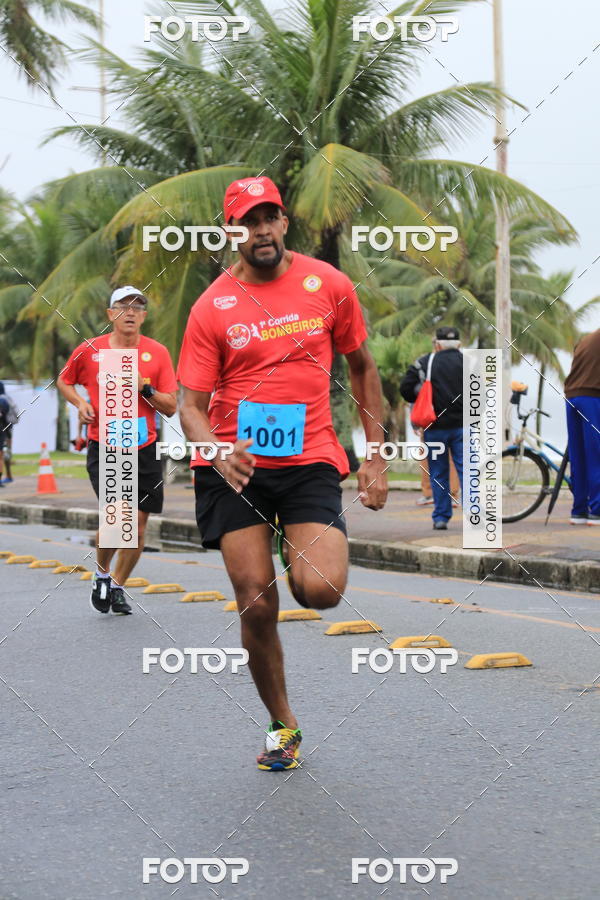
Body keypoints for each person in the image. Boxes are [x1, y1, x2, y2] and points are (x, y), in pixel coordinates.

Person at [177, 176, 388, 771]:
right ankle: (282, 723)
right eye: (247, 221)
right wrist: (217, 450)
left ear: (284, 222)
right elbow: (190, 404)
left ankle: (302, 556)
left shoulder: (330, 285)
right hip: (233, 468)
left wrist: (374, 455)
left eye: (269, 218)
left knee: (319, 590)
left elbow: (364, 368)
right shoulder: (211, 306)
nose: (260, 230)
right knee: (255, 601)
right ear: (231, 231)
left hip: (309, 458)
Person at [57, 287, 178, 614]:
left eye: (138, 307)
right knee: (118, 521)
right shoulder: (89, 351)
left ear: (144, 316)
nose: (130, 312)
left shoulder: (158, 353)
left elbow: (170, 406)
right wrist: (80, 403)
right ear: (110, 314)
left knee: (138, 527)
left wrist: (144, 388)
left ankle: (118, 585)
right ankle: (101, 573)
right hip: (106, 446)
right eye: (123, 306)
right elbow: (64, 380)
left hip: (145, 447)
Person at [400, 326, 463, 530]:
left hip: (434, 426)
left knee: (438, 472)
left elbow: (405, 388)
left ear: (437, 344)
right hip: (463, 427)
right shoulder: (470, 362)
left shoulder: (425, 362)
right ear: (459, 344)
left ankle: (441, 517)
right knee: (467, 471)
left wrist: (420, 396)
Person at [564, 329, 600, 525]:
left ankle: (578, 511)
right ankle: (597, 511)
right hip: (593, 397)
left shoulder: (586, 339)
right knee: (596, 454)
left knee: (578, 457)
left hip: (572, 397)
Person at [0, 381, 18, 484]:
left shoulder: (2, 400)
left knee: (3, 453)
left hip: (3, 429)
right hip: (8, 429)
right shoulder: (7, 398)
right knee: (6, 452)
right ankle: (9, 475)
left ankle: (7, 476)